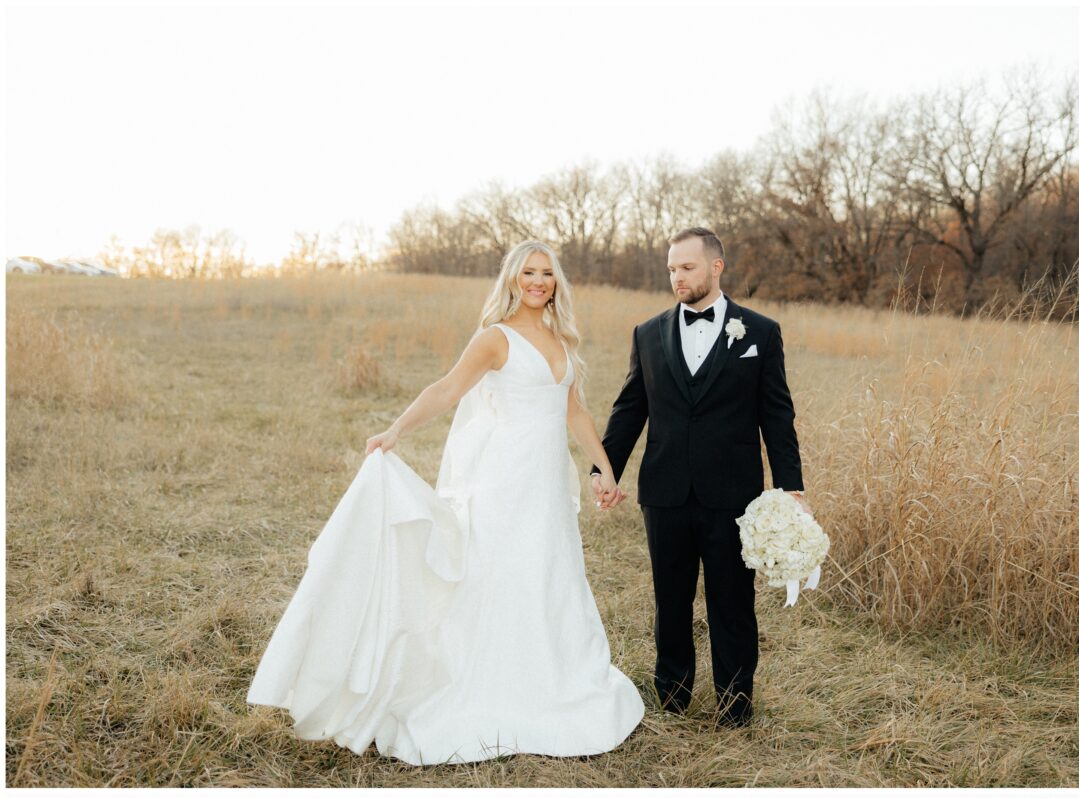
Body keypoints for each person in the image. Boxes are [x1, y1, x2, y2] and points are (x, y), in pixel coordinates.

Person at [248, 243, 643, 765]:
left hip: (547, 486)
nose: (538, 281)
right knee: (497, 576)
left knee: (549, 573)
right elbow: (447, 390)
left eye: (547, 273)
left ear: (556, 282)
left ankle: (553, 679)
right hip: (502, 482)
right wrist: (395, 430)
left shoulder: (560, 340)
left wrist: (606, 468)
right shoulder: (495, 339)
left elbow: (574, 411)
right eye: (528, 272)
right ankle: (488, 687)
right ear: (511, 279)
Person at [591, 227, 807, 727]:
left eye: (686, 267)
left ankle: (735, 706)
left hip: (734, 496)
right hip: (664, 494)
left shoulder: (760, 332)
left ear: (716, 267)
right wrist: (604, 470)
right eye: (671, 268)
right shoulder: (647, 334)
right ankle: (672, 696)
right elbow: (629, 410)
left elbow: (777, 417)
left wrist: (791, 487)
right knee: (671, 601)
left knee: (733, 603)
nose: (676, 277)